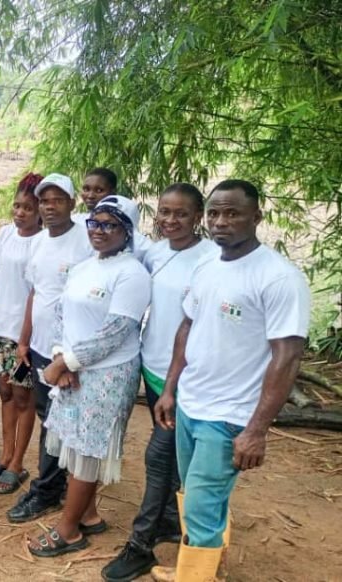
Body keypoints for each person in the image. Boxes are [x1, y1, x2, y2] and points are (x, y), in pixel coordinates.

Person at [150, 180, 309, 581]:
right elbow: (187, 327)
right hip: (191, 403)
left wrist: (256, 430)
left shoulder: (278, 277)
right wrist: (170, 389)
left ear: (256, 217)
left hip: (230, 415)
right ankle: (205, 570)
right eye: (215, 213)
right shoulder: (206, 265)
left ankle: (194, 575)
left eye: (233, 213)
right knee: (196, 496)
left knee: (202, 505)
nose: (221, 221)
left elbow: (287, 356)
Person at [101, 183, 216, 581]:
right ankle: (170, 518)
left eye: (181, 213)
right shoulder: (154, 253)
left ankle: (141, 544)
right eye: (164, 212)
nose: (170, 220)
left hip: (185, 376)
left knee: (158, 456)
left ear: (198, 215)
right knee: (172, 459)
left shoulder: (212, 258)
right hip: (152, 367)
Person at [26, 197, 152, 558]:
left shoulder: (132, 273)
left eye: (109, 225)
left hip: (109, 374)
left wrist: (67, 363)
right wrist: (60, 360)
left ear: (127, 231)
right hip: (73, 369)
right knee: (72, 441)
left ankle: (68, 531)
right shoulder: (84, 267)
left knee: (88, 448)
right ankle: (89, 515)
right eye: (94, 223)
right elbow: (64, 316)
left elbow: (116, 331)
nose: (98, 231)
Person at [8, 173, 94, 524]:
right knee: (49, 420)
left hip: (70, 354)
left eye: (58, 200)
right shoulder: (39, 242)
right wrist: (24, 341)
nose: (49, 206)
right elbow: (35, 294)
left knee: (60, 425)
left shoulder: (86, 242)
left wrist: (71, 357)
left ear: (72, 203)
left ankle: (47, 492)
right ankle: (54, 487)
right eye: (45, 201)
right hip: (42, 350)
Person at [0, 173, 44, 494]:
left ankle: (18, 462)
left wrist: (25, 339)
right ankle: (5, 454)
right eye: (17, 206)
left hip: (24, 334)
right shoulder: (4, 235)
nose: (20, 213)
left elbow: (37, 292)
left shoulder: (44, 243)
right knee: (4, 393)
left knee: (23, 397)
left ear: (40, 210)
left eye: (28, 208)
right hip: (0, 328)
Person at [73, 169, 151, 260]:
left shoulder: (140, 246)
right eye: (86, 189)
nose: (90, 195)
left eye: (99, 190)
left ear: (113, 192)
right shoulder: (75, 221)